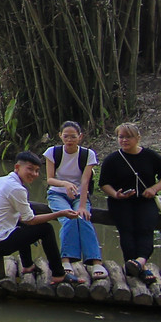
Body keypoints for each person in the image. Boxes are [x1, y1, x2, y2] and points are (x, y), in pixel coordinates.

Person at [0, 149, 80, 289]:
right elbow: (30, 220)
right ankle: (58, 274)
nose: (34, 174)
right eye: (30, 169)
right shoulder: (16, 188)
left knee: (24, 225)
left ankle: (28, 266)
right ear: (17, 167)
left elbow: (24, 218)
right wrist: (60, 213)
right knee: (46, 229)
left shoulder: (0, 180)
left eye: (37, 171)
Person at [98, 121, 161, 285]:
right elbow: (104, 183)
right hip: (121, 202)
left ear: (138, 138)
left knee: (146, 229)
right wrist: (116, 195)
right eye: (121, 137)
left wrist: (153, 189)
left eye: (128, 137)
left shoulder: (150, 156)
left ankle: (139, 262)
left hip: (145, 200)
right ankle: (138, 267)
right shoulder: (112, 159)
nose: (124, 140)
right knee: (126, 231)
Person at [43, 121, 108, 284]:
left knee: (83, 218)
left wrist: (82, 206)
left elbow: (85, 181)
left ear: (80, 137)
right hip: (57, 193)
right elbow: (50, 179)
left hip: (80, 194)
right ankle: (66, 260)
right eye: (66, 136)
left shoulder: (88, 155)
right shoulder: (52, 152)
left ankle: (96, 261)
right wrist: (65, 184)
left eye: (73, 137)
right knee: (69, 218)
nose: (69, 140)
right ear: (60, 136)